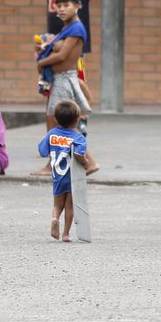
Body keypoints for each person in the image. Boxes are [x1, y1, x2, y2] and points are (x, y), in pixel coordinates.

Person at [34, 0, 92, 175]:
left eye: (66, 5)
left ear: (77, 6)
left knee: (59, 124)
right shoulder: (67, 28)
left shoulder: (76, 27)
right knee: (57, 123)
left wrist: (42, 61)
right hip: (60, 79)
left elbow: (63, 55)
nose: (61, 9)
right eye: (58, 6)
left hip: (64, 79)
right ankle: (58, 162)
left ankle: (88, 162)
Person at [38, 100, 92, 242]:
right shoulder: (78, 138)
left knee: (57, 203)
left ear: (56, 118)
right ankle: (66, 234)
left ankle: (55, 218)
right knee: (69, 206)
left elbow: (42, 151)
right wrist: (86, 164)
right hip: (72, 177)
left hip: (57, 175)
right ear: (77, 120)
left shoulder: (51, 134)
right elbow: (80, 155)